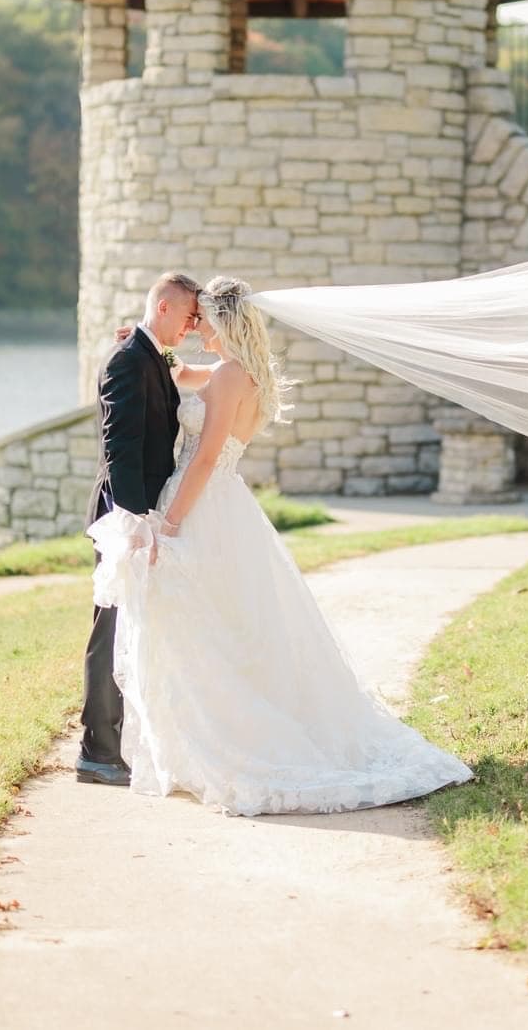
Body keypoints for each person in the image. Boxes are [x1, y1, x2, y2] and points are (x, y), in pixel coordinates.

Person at [88, 275, 471, 816]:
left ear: (223, 322)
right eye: (191, 318)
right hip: (226, 504)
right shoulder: (243, 374)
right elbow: (182, 374)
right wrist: (148, 348)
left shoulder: (226, 378)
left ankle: (225, 739)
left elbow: (202, 458)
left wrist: (169, 524)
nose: (196, 327)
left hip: (199, 503)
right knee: (228, 622)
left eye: (203, 319)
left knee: (203, 626)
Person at [75, 271, 199, 787]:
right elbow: (118, 452)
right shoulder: (128, 362)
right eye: (190, 316)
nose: (193, 326)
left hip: (143, 514)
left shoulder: (151, 354)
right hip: (124, 519)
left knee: (133, 630)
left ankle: (120, 744)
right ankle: (97, 751)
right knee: (111, 631)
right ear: (164, 308)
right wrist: (135, 525)